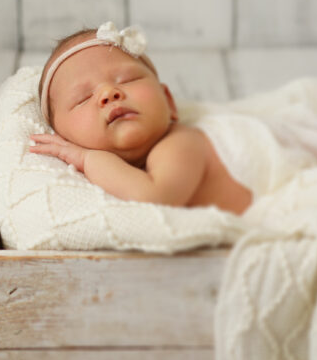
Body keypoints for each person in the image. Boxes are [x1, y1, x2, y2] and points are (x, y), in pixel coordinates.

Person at [30, 22, 252, 215]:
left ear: (169, 102)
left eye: (128, 79)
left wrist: (86, 159)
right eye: (83, 98)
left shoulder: (180, 143)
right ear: (61, 137)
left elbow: (153, 199)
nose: (109, 93)